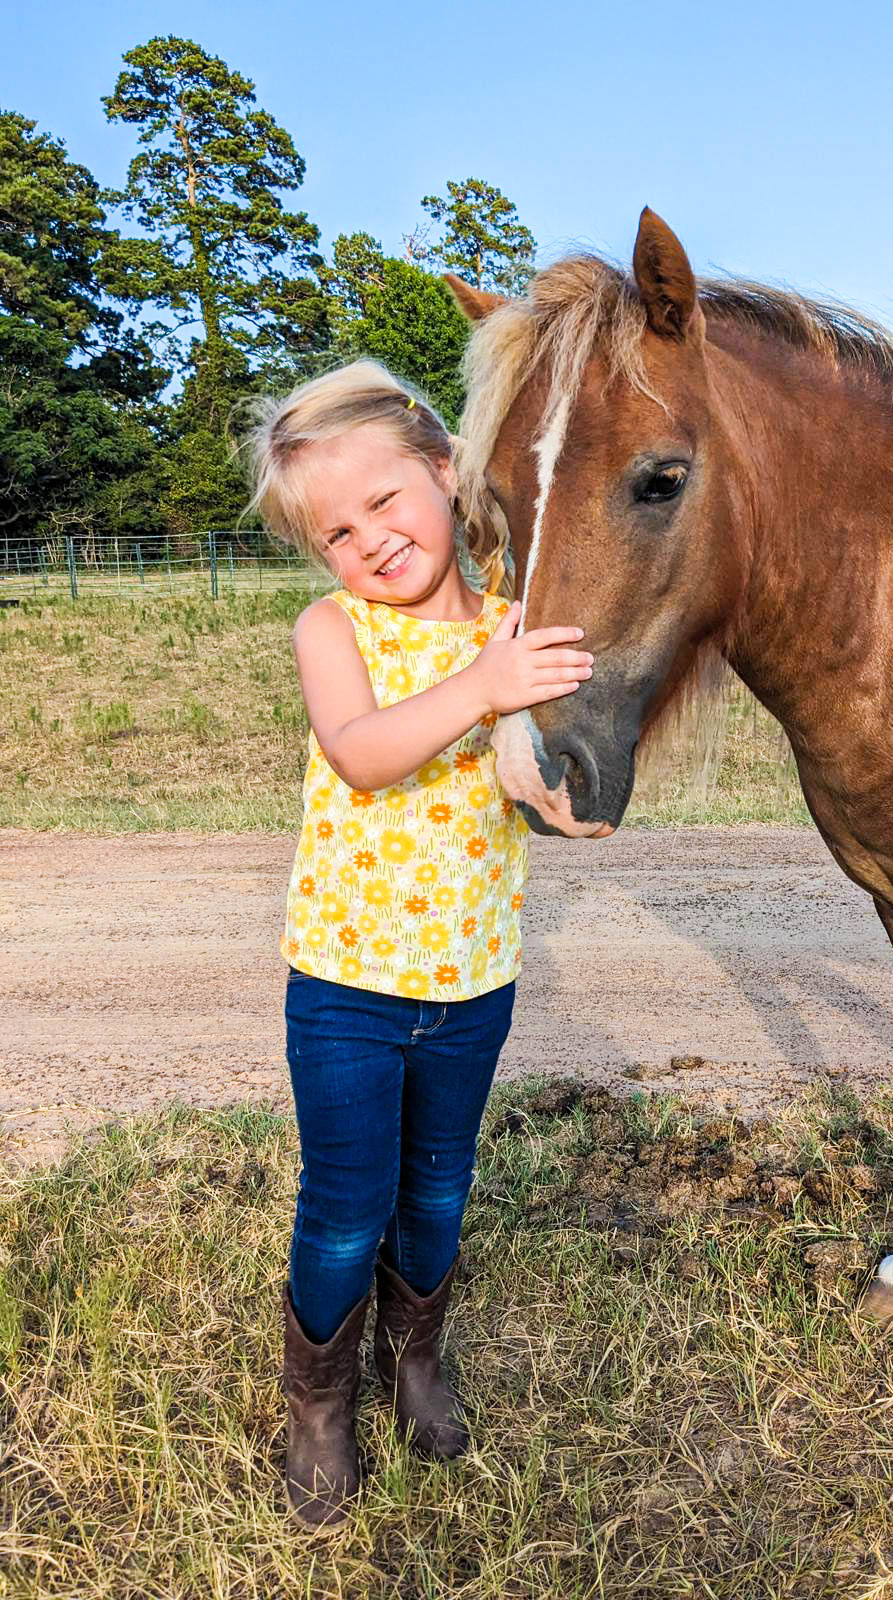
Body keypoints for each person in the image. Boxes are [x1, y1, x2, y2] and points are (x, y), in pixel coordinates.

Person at [242, 359, 593, 1534]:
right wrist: (486, 683)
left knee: (439, 1192)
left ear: (444, 473)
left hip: (474, 983)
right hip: (343, 986)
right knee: (347, 1204)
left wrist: (563, 797)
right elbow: (361, 749)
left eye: (385, 502)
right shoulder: (331, 630)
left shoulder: (515, 629)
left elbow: (531, 771)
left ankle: (417, 1362)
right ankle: (321, 1406)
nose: (371, 542)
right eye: (337, 532)